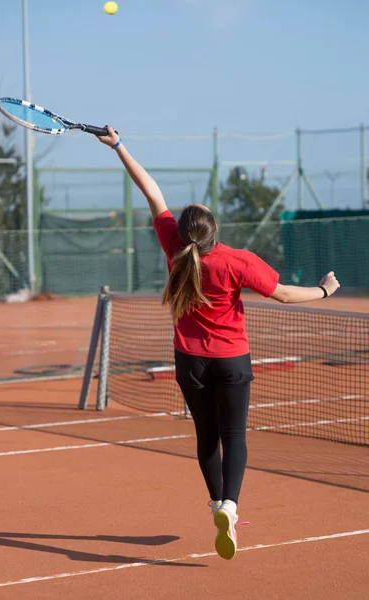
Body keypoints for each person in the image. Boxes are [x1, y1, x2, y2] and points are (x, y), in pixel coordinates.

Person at [96, 128, 340, 560]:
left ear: (186, 231)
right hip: (232, 360)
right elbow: (283, 293)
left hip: (189, 362)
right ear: (212, 231)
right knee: (235, 436)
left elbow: (150, 190)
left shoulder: (174, 246)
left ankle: (215, 505)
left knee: (206, 436)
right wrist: (323, 291)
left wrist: (119, 147)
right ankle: (230, 504)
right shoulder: (237, 260)